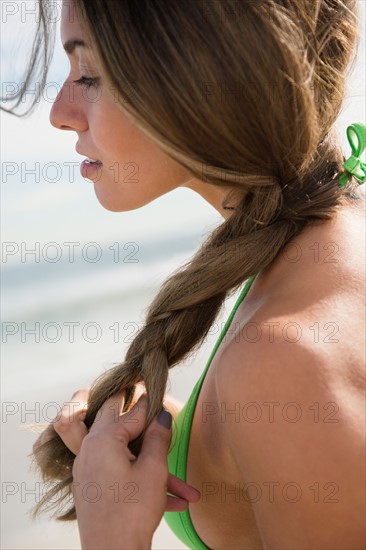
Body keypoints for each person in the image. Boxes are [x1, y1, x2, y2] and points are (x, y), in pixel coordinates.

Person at [3, 0, 365, 548]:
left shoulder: (282, 360)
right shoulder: (330, 231)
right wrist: (178, 430)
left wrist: (113, 537)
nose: (59, 111)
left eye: (89, 75)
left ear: (198, 76)